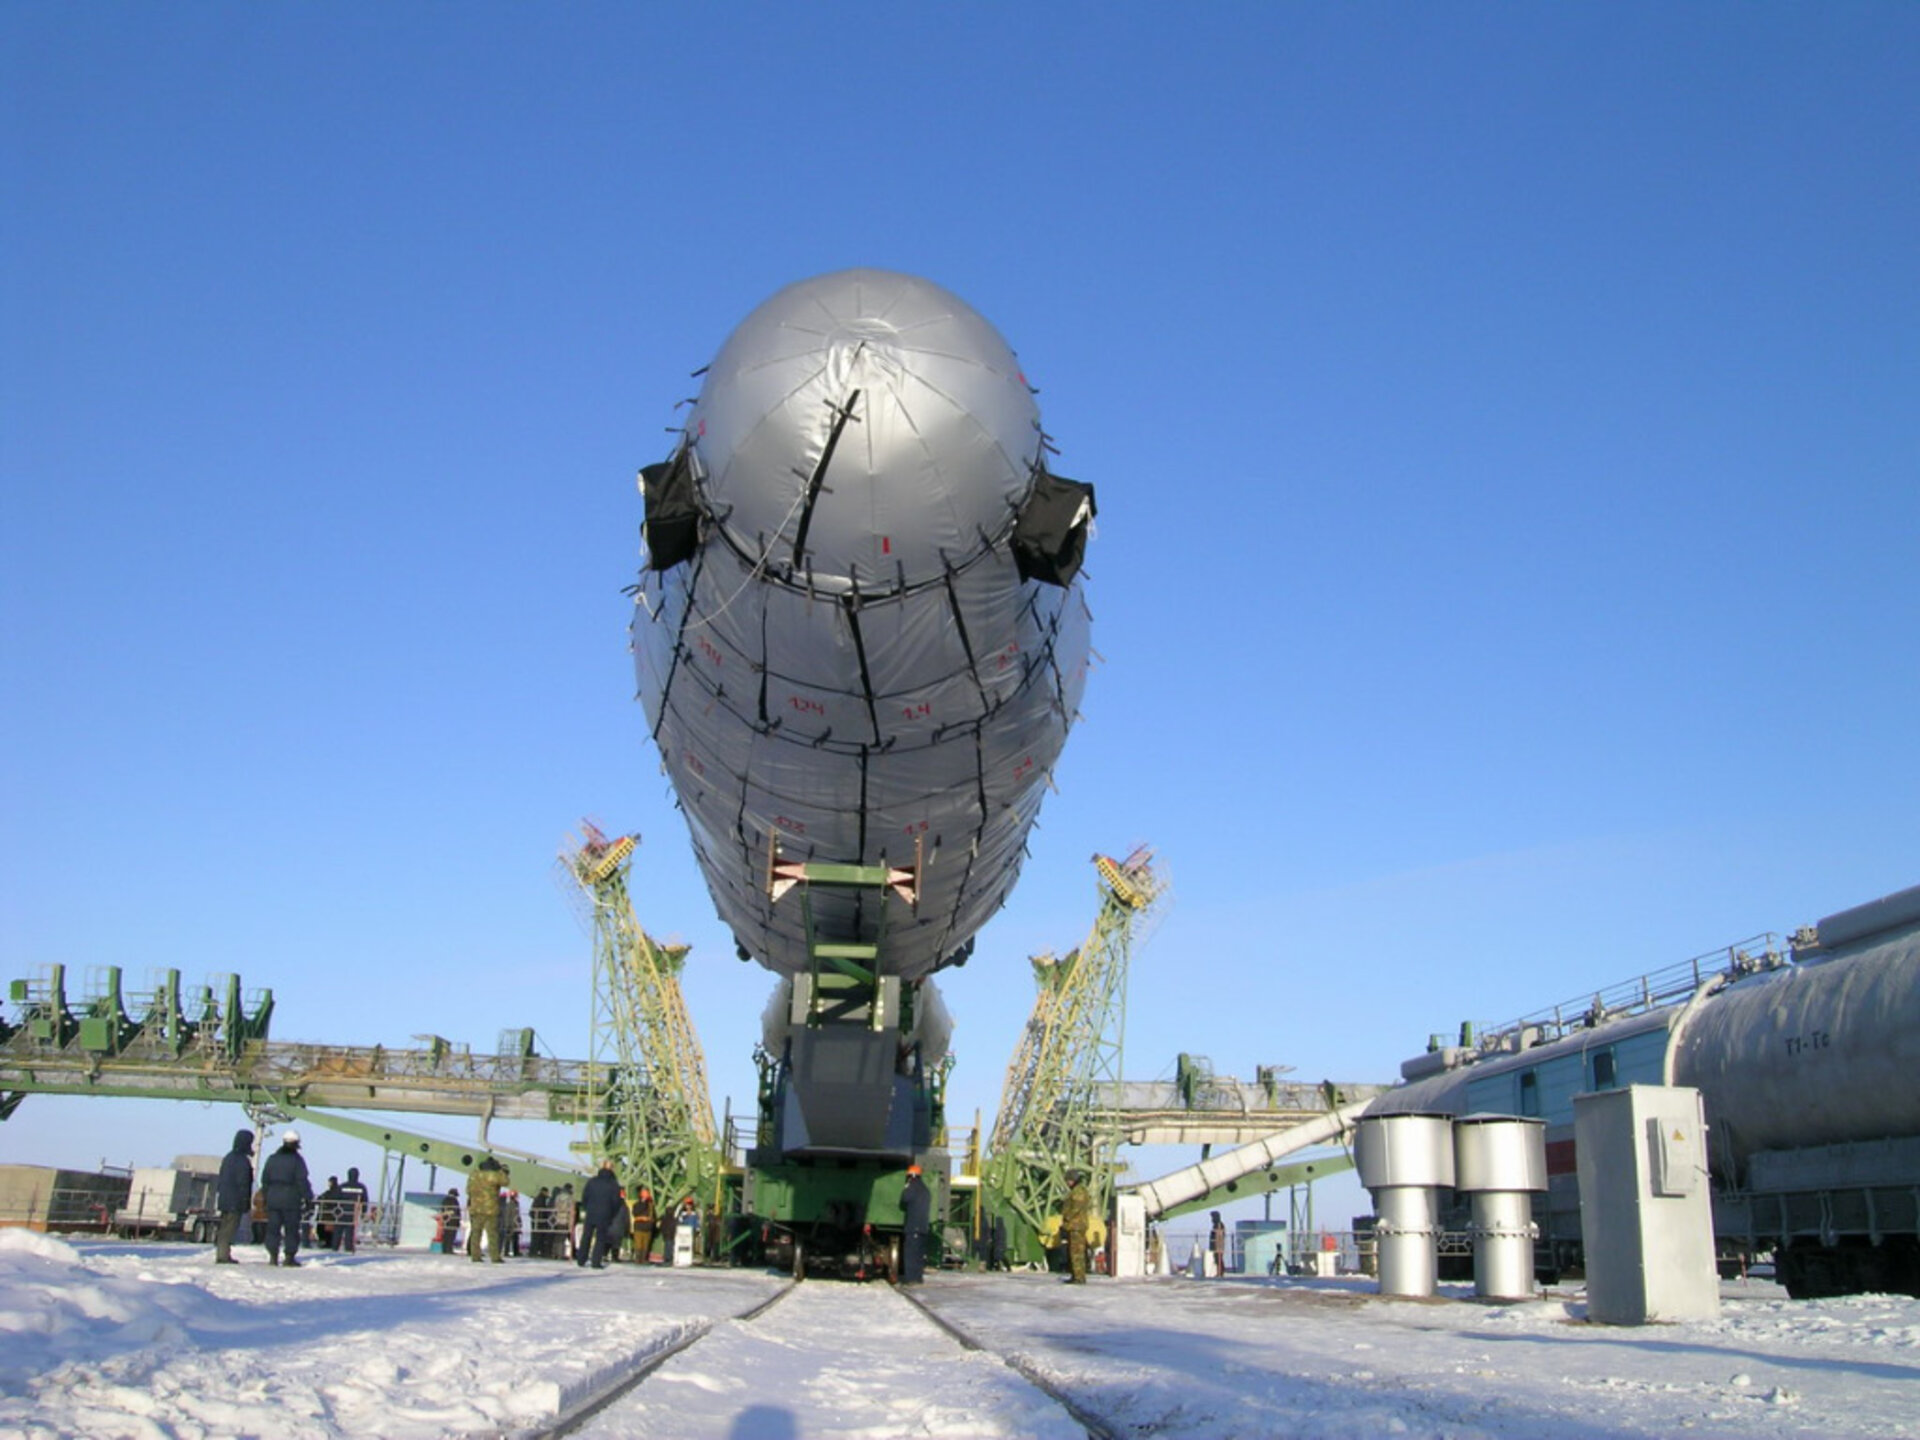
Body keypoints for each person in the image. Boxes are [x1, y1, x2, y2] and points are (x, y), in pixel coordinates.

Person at [260, 1129, 314, 1268]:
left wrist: (266, 1197)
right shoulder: (297, 1160)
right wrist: (308, 1198)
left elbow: (264, 1180)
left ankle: (273, 1256)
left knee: (273, 1228)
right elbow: (302, 1180)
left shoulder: (272, 1159)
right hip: (291, 1199)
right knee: (291, 1229)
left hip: (273, 1198)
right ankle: (289, 1257)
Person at [212, 1127, 255, 1264]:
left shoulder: (228, 1158)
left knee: (224, 1226)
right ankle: (223, 1256)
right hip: (235, 1200)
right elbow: (243, 1182)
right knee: (230, 1228)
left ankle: (222, 1253)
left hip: (225, 1198)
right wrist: (245, 1201)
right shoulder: (242, 1160)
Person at [578, 1160, 624, 1269]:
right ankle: (595, 1262)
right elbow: (617, 1202)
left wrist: (587, 1208)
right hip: (605, 1215)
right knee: (600, 1239)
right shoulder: (614, 1184)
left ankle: (581, 1259)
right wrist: (612, 1214)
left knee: (586, 1236)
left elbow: (585, 1197)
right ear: (612, 1168)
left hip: (591, 1213)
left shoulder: (592, 1181)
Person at [467, 1157, 506, 1263]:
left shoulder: (474, 1175)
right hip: (490, 1208)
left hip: (476, 1208)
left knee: (476, 1233)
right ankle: (495, 1257)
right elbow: (506, 1182)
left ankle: (475, 1256)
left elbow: (468, 1190)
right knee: (492, 1234)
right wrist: (502, 1171)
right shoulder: (494, 1175)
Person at [898, 1163, 931, 1285]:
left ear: (911, 1176)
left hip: (913, 1226)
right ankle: (918, 1277)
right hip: (923, 1227)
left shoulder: (912, 1187)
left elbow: (904, 1199)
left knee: (911, 1253)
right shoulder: (925, 1189)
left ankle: (911, 1278)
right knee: (919, 1254)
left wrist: (906, 1187)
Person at [1061, 1170, 1091, 1283]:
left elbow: (1075, 1208)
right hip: (1075, 1225)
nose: (1067, 1183)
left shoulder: (1078, 1191)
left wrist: (1067, 1216)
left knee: (1076, 1252)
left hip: (1076, 1225)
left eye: (1068, 1180)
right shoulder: (1078, 1190)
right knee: (1075, 1252)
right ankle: (1076, 1275)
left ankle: (1079, 1277)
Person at [335, 1167, 370, 1252]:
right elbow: (364, 1200)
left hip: (341, 1212)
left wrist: (335, 1211)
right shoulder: (361, 1187)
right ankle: (348, 1248)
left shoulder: (342, 1186)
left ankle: (334, 1247)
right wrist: (363, 1213)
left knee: (338, 1231)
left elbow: (336, 1199)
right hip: (353, 1213)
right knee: (349, 1231)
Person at [315, 1176, 343, 1250]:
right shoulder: (340, 1192)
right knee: (329, 1231)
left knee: (322, 1229)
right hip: (334, 1215)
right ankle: (329, 1243)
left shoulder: (329, 1193)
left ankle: (325, 1243)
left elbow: (319, 1199)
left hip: (327, 1215)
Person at [630, 1186, 656, 1264]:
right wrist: (644, 1202)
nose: (647, 1194)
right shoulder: (637, 1204)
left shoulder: (651, 1205)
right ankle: (638, 1259)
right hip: (639, 1227)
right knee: (638, 1244)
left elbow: (654, 1215)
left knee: (645, 1245)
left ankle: (644, 1259)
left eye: (647, 1193)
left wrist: (652, 1222)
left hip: (648, 1227)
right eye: (645, 1193)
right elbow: (635, 1213)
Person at [673, 1195, 700, 1265]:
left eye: (690, 1204)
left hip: (691, 1232)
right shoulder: (682, 1214)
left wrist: (697, 1229)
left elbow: (697, 1223)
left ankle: (690, 1257)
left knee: (691, 1245)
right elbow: (678, 1219)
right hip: (683, 1232)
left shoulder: (694, 1214)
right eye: (687, 1204)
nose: (688, 1206)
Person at [552, 1185, 575, 1262]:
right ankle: (561, 1253)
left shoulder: (558, 1197)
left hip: (558, 1218)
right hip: (565, 1218)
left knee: (557, 1237)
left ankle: (555, 1253)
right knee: (563, 1237)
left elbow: (555, 1206)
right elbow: (571, 1209)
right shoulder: (569, 1198)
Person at [437, 1189, 462, 1255]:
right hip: (453, 1220)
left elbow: (443, 1209)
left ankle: (445, 1249)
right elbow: (455, 1210)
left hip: (446, 1220)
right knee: (451, 1236)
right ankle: (449, 1250)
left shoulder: (445, 1200)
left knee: (446, 1235)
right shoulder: (454, 1200)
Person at [502, 1188, 522, 1258]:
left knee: (516, 1238)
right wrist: (507, 1225)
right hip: (511, 1224)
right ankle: (506, 1252)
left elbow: (518, 1214)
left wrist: (519, 1223)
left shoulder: (516, 1204)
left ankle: (516, 1251)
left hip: (515, 1223)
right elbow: (508, 1215)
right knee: (508, 1238)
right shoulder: (509, 1204)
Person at [1209, 1211, 1228, 1278]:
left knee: (1219, 1258)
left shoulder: (1219, 1224)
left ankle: (1220, 1272)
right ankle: (1219, 1271)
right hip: (1216, 1245)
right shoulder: (1216, 1224)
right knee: (1217, 1259)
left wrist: (1216, 1243)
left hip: (1218, 1245)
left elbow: (1219, 1235)